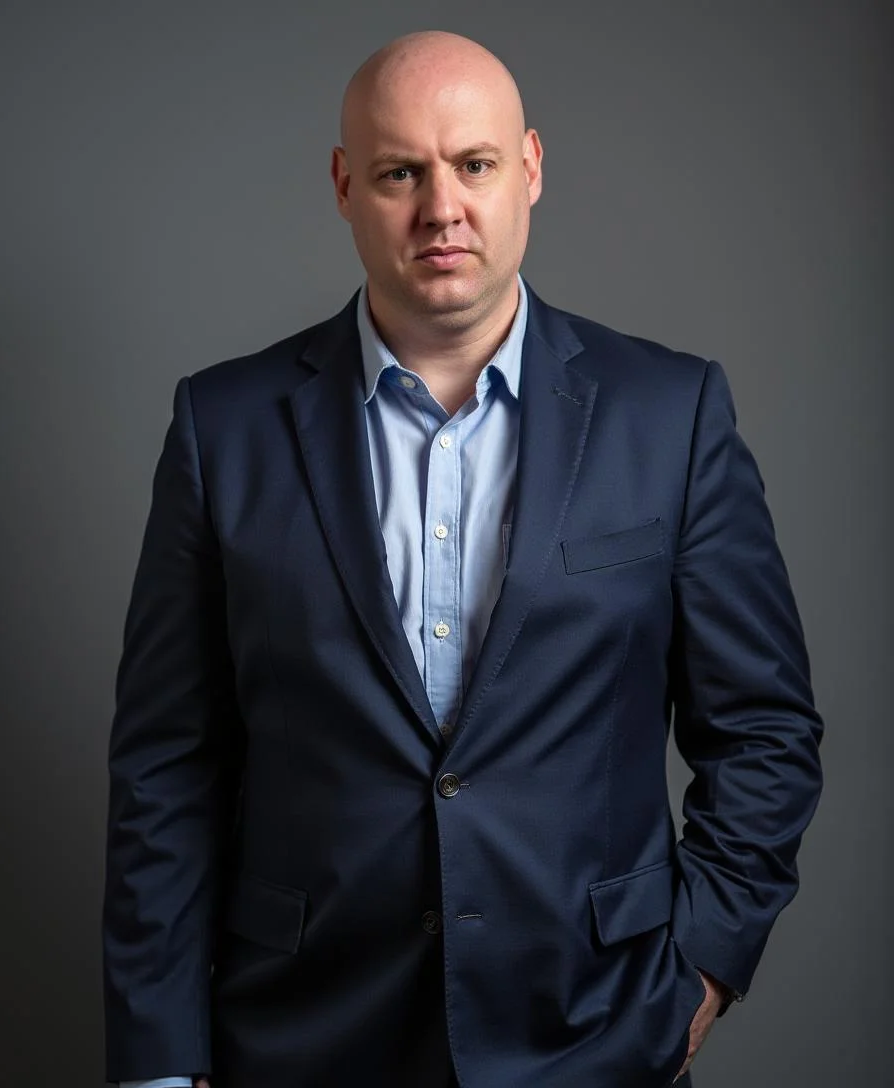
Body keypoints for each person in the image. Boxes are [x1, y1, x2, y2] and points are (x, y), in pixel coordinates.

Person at [102, 29, 824, 1088]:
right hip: (302, 1037)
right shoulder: (226, 425)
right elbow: (167, 761)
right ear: (345, 186)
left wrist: (701, 971)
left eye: (473, 164)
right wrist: (160, 1057)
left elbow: (763, 728)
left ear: (528, 168)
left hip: (595, 1032)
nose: (441, 208)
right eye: (400, 172)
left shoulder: (670, 414)